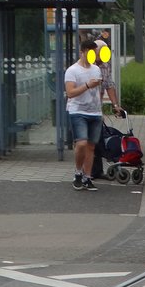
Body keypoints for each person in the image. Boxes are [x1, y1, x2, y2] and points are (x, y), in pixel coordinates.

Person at [64, 37, 104, 191]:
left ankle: (88, 177)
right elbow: (70, 93)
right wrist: (87, 85)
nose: (91, 56)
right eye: (88, 53)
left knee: (91, 147)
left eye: (93, 53)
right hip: (78, 111)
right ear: (81, 53)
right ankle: (78, 172)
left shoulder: (96, 69)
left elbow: (98, 90)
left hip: (95, 111)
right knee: (81, 143)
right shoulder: (72, 71)